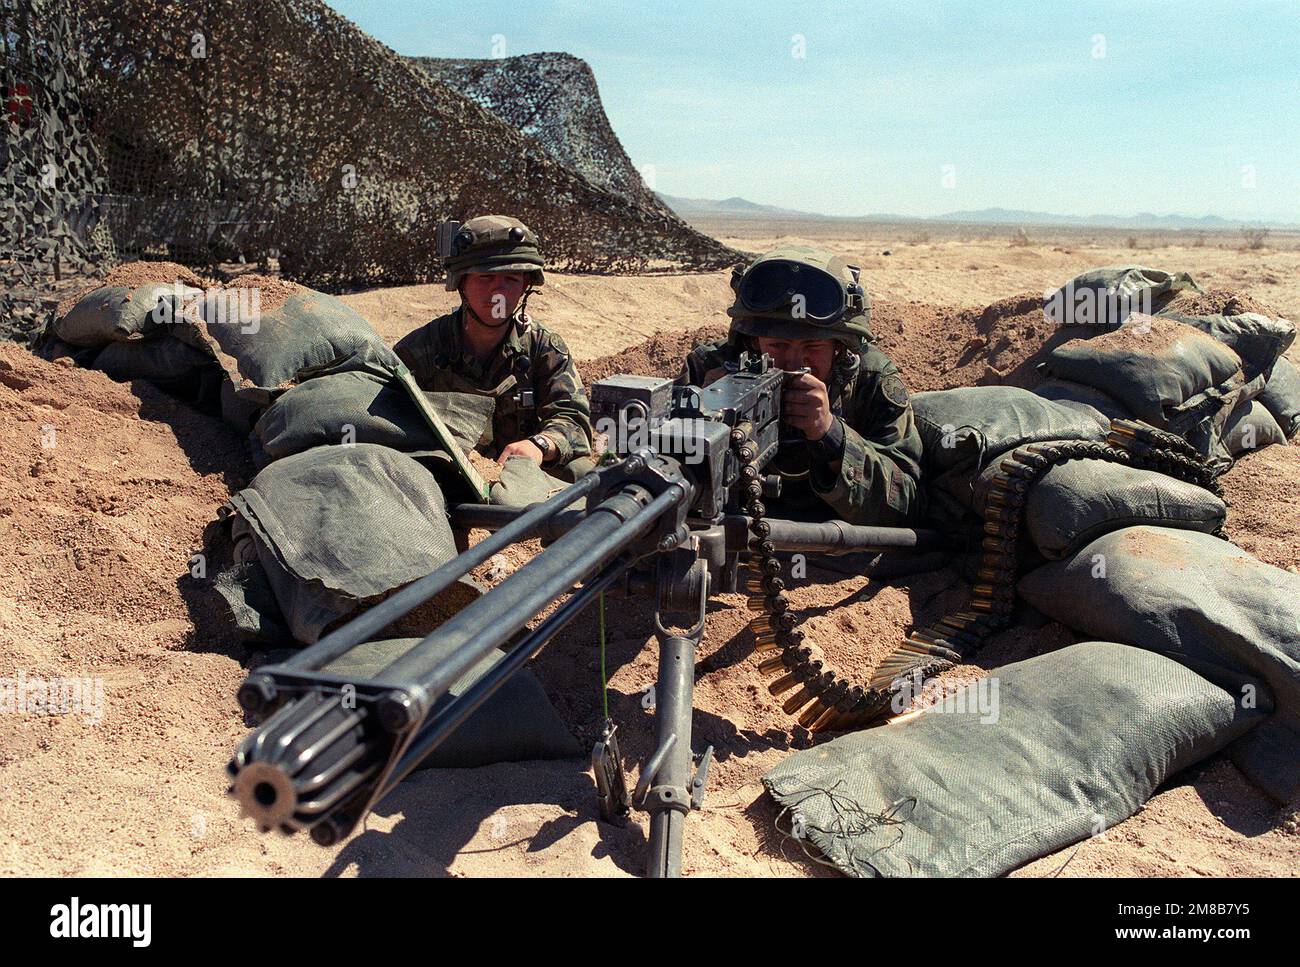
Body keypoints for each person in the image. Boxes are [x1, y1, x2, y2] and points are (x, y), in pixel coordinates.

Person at [679, 245, 923, 525]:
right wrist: (704, 419)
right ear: (752, 342)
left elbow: (907, 502)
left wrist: (831, 435)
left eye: (813, 345)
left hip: (834, 543)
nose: (794, 361)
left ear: (840, 348)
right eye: (778, 345)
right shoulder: (709, 368)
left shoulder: (871, 380)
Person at [395, 215, 593, 478]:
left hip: (520, 476)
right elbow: (388, 422)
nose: (498, 292)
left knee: (580, 472)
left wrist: (541, 445)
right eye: (485, 278)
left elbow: (573, 419)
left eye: (511, 279)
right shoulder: (421, 349)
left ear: (525, 285)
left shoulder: (542, 347)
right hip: (444, 476)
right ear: (461, 282)